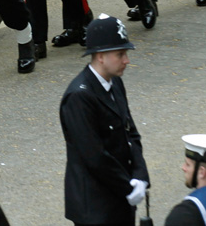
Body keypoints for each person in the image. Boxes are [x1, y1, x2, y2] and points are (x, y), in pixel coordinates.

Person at [60, 14, 150, 226]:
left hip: (119, 196)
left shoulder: (114, 83)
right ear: (100, 56)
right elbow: (95, 156)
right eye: (120, 54)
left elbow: (130, 133)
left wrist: (140, 174)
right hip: (95, 207)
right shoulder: (79, 97)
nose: (126, 60)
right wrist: (128, 188)